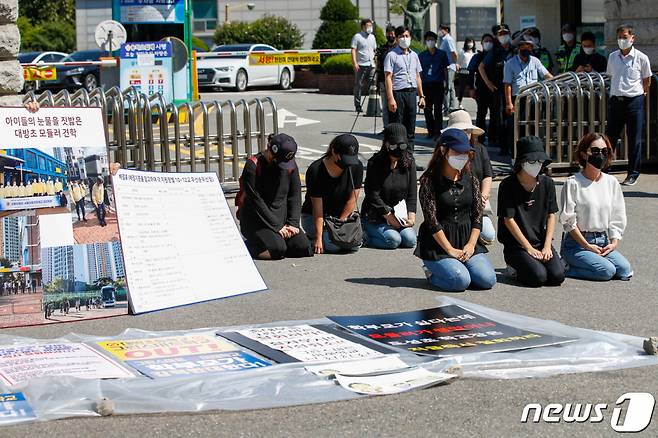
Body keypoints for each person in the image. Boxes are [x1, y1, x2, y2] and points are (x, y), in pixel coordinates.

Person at [415, 128, 496, 292]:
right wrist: (450, 250)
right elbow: (432, 222)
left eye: (466, 152)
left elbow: (477, 216)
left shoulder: (471, 178)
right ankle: (433, 272)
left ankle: (459, 269)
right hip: (439, 245)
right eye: (458, 152)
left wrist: (472, 244)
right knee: (460, 281)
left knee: (487, 280)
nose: (463, 156)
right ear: (444, 150)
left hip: (466, 240)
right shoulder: (428, 181)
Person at [560, 133, 632, 281]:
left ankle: (592, 263)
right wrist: (586, 246)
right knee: (606, 271)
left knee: (624, 270)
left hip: (602, 240)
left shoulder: (611, 182)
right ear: (584, 154)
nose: (600, 155)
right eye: (595, 151)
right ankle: (564, 267)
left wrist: (613, 242)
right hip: (577, 243)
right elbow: (568, 221)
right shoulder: (573, 183)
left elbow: (618, 215)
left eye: (604, 151)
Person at [497, 136, 565, 287]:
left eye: (540, 162)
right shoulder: (507, 185)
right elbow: (508, 219)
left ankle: (536, 262)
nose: (537, 166)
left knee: (557, 276)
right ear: (521, 162)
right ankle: (514, 268)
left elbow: (551, 215)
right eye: (532, 162)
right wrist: (527, 247)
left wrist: (547, 245)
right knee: (538, 277)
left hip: (540, 241)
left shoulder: (547, 183)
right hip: (517, 245)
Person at [238, 133, 313, 260]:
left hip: (282, 221)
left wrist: (293, 223)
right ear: (271, 151)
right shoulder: (253, 165)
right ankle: (248, 245)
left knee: (303, 248)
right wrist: (277, 226)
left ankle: (276, 240)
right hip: (258, 221)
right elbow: (256, 201)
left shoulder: (289, 163)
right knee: (277, 249)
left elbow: (295, 194)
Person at [605, 24, 651, 186]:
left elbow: (647, 80)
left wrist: (641, 92)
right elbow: (611, 75)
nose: (622, 40)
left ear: (632, 38)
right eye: (619, 37)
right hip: (616, 101)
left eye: (625, 37)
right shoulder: (612, 57)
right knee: (609, 138)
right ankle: (604, 169)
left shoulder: (641, 58)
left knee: (634, 139)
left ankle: (633, 173)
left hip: (634, 101)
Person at [301, 134, 363, 254]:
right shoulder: (316, 170)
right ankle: (313, 237)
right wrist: (318, 239)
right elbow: (317, 210)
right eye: (344, 159)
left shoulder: (356, 167)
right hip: (315, 217)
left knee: (353, 245)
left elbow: (352, 200)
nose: (347, 164)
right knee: (333, 246)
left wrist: (340, 225)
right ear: (334, 152)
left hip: (340, 216)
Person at [361, 123, 417, 249]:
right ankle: (365, 237)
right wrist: (388, 216)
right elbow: (372, 194)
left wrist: (411, 216)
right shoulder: (374, 163)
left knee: (410, 240)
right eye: (393, 146)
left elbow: (412, 193)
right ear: (386, 144)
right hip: (377, 215)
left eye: (402, 146)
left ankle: (389, 231)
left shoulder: (409, 162)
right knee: (393, 240)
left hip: (400, 215)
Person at [443, 110, 495, 244]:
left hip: (477, 204)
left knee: (489, 235)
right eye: (461, 130)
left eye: (467, 130)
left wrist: (483, 195)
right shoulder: (445, 151)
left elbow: (488, 175)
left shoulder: (480, 149)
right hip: (453, 205)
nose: (465, 133)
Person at [503, 37, 553, 155]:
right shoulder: (510, 63)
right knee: (517, 127)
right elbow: (507, 85)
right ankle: (516, 153)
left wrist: (555, 81)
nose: (526, 49)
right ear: (519, 48)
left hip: (534, 98)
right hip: (519, 98)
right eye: (523, 47)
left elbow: (546, 74)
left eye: (529, 47)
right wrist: (509, 103)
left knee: (533, 125)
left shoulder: (535, 61)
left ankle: (532, 152)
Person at [384, 26, 425, 154]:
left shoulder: (415, 55)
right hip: (398, 93)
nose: (404, 39)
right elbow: (388, 77)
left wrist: (421, 96)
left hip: (411, 93)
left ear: (410, 38)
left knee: (410, 128)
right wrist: (390, 98)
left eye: (407, 36)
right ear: (396, 38)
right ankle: (395, 158)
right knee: (397, 127)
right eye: (401, 36)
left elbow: (417, 76)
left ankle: (409, 158)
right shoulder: (391, 55)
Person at [479, 24, 514, 150]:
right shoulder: (495, 51)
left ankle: (512, 144)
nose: (503, 37)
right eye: (500, 35)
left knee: (513, 118)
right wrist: (488, 83)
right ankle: (503, 145)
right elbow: (481, 67)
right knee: (500, 117)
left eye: (505, 34)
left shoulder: (514, 50)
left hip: (513, 89)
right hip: (499, 89)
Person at [419, 31, 450, 138]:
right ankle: (430, 130)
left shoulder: (442, 54)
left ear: (435, 41)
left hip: (438, 84)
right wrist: (420, 89)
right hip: (426, 85)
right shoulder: (422, 55)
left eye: (432, 39)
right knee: (427, 110)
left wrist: (447, 83)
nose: (430, 42)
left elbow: (445, 69)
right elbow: (420, 72)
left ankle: (438, 131)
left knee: (438, 110)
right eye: (428, 40)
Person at [470, 33, 496, 145]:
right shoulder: (477, 57)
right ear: (481, 43)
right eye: (486, 41)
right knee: (481, 114)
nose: (488, 43)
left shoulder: (496, 55)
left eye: (490, 41)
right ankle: (480, 138)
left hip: (494, 89)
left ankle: (493, 138)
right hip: (481, 90)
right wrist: (471, 88)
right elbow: (470, 73)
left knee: (495, 114)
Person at [351, 18, 377, 113]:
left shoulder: (372, 37)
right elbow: (353, 50)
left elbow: (375, 50)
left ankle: (374, 104)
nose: (370, 27)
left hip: (371, 64)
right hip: (361, 64)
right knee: (358, 85)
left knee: (373, 85)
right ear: (363, 26)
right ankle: (358, 105)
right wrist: (355, 62)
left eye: (371, 26)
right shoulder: (357, 37)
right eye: (368, 26)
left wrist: (376, 62)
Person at [375, 25, 398, 127]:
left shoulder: (398, 49)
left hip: (396, 81)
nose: (391, 35)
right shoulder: (382, 49)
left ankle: (396, 127)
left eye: (392, 34)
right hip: (383, 81)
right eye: (389, 33)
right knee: (385, 107)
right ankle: (386, 127)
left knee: (396, 106)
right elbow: (378, 66)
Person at [438, 24, 458, 113]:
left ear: (446, 30)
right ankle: (453, 106)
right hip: (447, 66)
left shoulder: (448, 40)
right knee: (451, 87)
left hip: (449, 67)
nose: (439, 31)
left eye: (441, 29)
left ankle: (447, 108)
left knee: (447, 87)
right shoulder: (444, 40)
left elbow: (454, 53)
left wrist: (454, 63)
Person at [457, 38, 476, 106]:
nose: (470, 44)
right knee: (462, 88)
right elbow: (458, 62)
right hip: (463, 72)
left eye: (471, 42)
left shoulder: (474, 53)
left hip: (472, 73)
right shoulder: (462, 52)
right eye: (468, 42)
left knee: (473, 88)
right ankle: (459, 102)